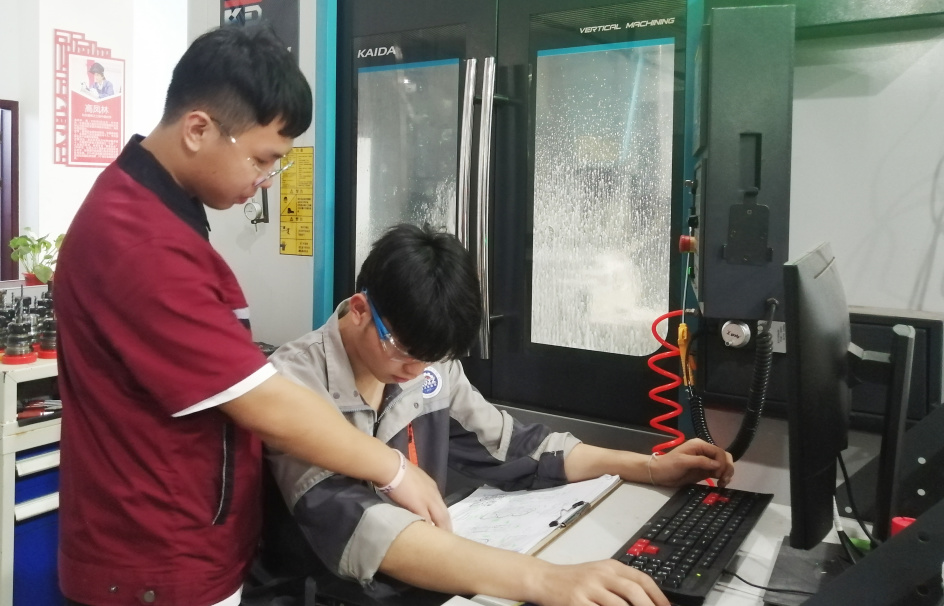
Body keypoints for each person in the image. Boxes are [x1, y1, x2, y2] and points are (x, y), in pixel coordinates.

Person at [52, 25, 449, 606]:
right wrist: (393, 469)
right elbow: (264, 404)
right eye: (263, 159)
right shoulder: (140, 239)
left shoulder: (164, 207)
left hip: (184, 544)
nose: (264, 181)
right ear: (198, 129)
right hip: (153, 560)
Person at [263, 223, 736, 606]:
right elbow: (363, 527)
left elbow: (517, 446)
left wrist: (650, 467)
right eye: (404, 353)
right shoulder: (292, 383)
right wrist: (544, 579)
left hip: (425, 580)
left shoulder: (426, 366)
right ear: (361, 310)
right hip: (332, 592)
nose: (417, 372)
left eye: (431, 359)